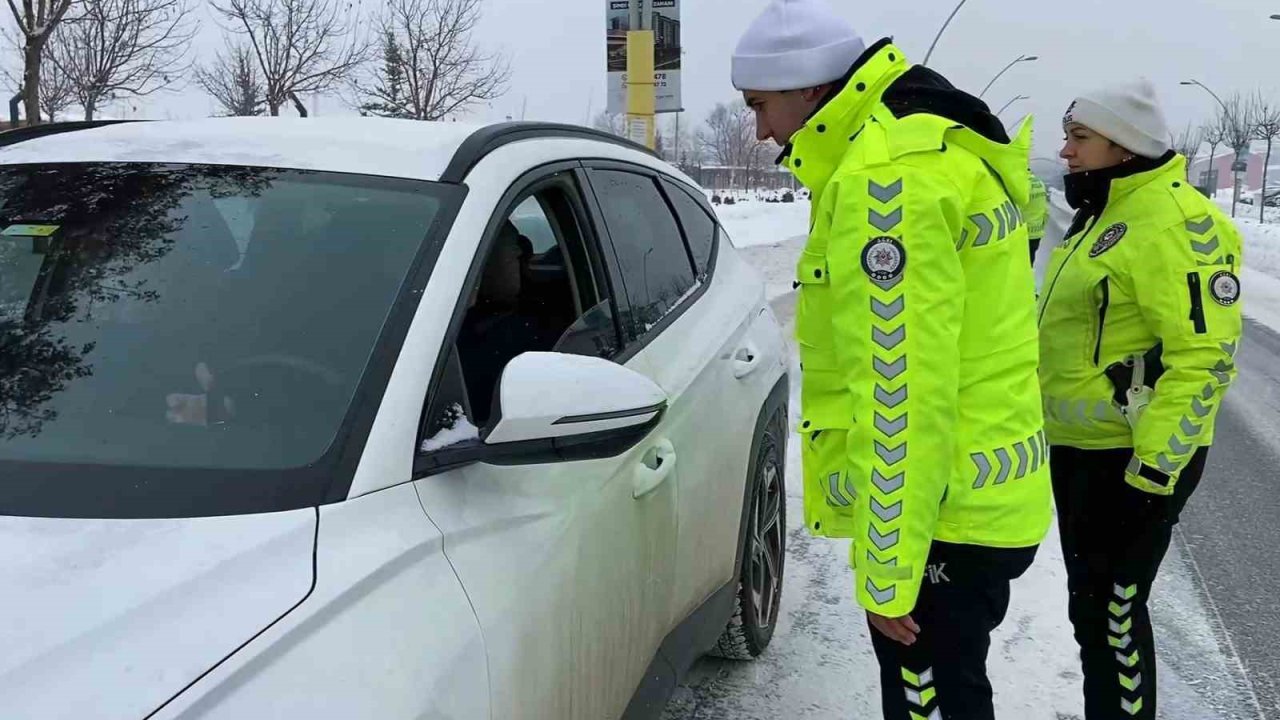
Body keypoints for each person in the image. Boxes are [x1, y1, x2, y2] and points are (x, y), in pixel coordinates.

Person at [730, 1, 1052, 717]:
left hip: (944, 517)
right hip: (978, 502)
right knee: (957, 689)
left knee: (932, 700)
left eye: (761, 105)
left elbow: (903, 395)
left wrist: (888, 575)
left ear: (810, 89)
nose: (760, 130)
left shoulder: (888, 182)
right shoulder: (932, 142)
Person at [1040, 79, 1243, 720]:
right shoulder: (1105, 212)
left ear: (1124, 147)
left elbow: (1203, 360)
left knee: (1115, 618)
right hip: (1081, 451)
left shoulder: (1177, 223)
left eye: (1080, 138)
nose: (1065, 151)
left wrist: (1152, 474)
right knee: (1093, 615)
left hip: (1131, 462)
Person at [1026, 170, 1050, 265]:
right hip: (1037, 232)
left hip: (1023, 232)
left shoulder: (1021, 185)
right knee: (1030, 262)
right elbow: (1046, 210)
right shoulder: (1040, 183)